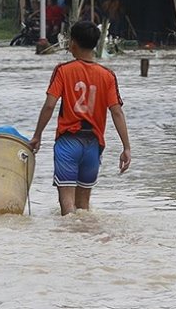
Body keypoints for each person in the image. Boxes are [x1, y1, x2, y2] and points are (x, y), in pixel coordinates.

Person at [30, 20, 132, 216]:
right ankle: (86, 243)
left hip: (68, 143)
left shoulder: (63, 70)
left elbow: (50, 105)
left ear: (72, 44)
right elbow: (117, 112)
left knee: (67, 208)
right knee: (84, 208)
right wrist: (126, 147)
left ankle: (69, 245)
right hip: (93, 145)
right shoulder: (108, 75)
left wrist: (37, 135)